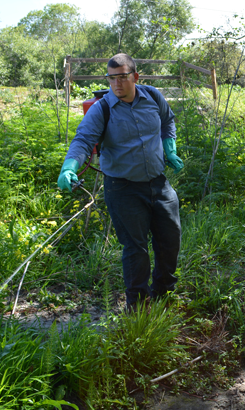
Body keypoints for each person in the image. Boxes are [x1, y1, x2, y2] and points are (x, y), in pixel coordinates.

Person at [57, 53, 184, 310]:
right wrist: (69, 167)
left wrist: (169, 149)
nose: (117, 84)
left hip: (159, 183)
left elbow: (167, 120)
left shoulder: (153, 97)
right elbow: (83, 140)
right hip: (123, 188)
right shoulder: (102, 109)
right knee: (135, 250)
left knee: (170, 239)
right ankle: (137, 307)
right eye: (112, 78)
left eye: (123, 77)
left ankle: (163, 294)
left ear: (135, 77)